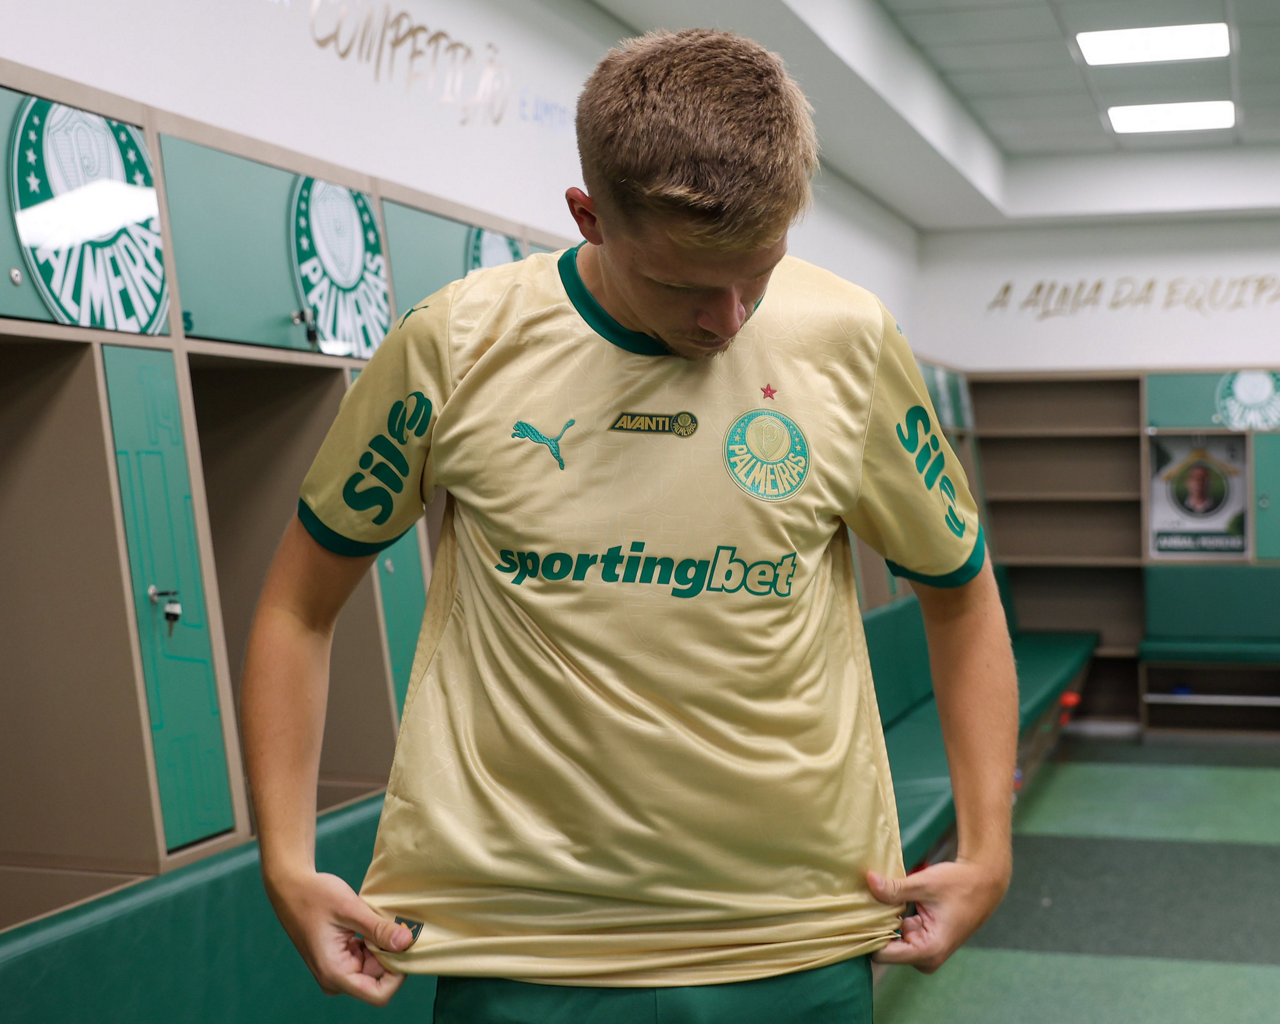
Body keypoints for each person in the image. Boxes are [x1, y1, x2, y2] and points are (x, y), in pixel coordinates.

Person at [241, 28, 1019, 1023]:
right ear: (588, 217)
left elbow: (960, 594)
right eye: (685, 286)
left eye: (760, 274)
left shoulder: (849, 341)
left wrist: (988, 847)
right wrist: (285, 859)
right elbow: (298, 608)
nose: (728, 321)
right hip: (523, 949)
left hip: (793, 938)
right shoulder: (457, 344)